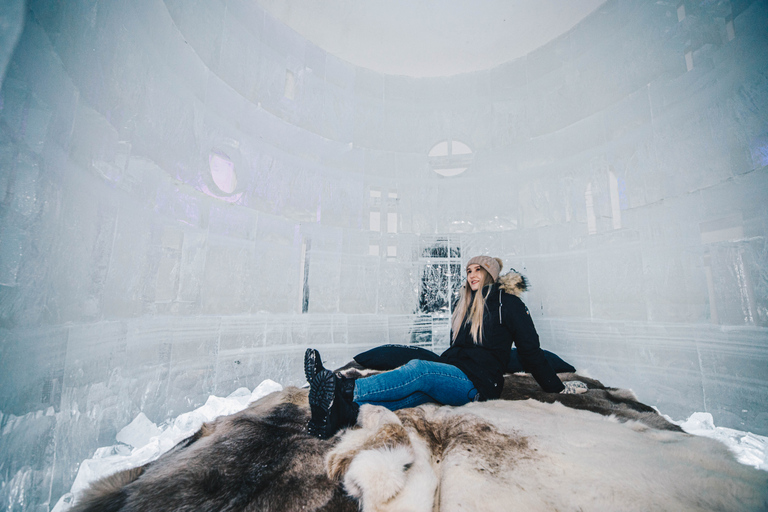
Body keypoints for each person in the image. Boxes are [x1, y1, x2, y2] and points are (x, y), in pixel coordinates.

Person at [304, 255, 586, 439]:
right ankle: (340, 412)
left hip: (478, 384)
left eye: (478, 269)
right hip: (456, 373)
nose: (472, 275)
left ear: (491, 273)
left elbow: (530, 353)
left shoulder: (508, 304)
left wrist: (557, 387)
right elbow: (458, 352)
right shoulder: (464, 307)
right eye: (468, 271)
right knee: (411, 394)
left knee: (418, 370)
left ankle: (341, 387)